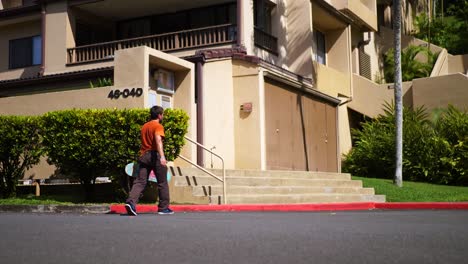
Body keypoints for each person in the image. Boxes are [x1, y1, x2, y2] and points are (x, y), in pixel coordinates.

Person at [125, 106, 173, 216]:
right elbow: (158, 141)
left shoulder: (144, 126)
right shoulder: (158, 126)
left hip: (143, 155)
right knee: (162, 182)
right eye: (163, 114)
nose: (163, 116)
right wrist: (162, 157)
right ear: (160, 115)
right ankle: (163, 208)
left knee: (140, 181)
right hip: (154, 155)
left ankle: (131, 202)